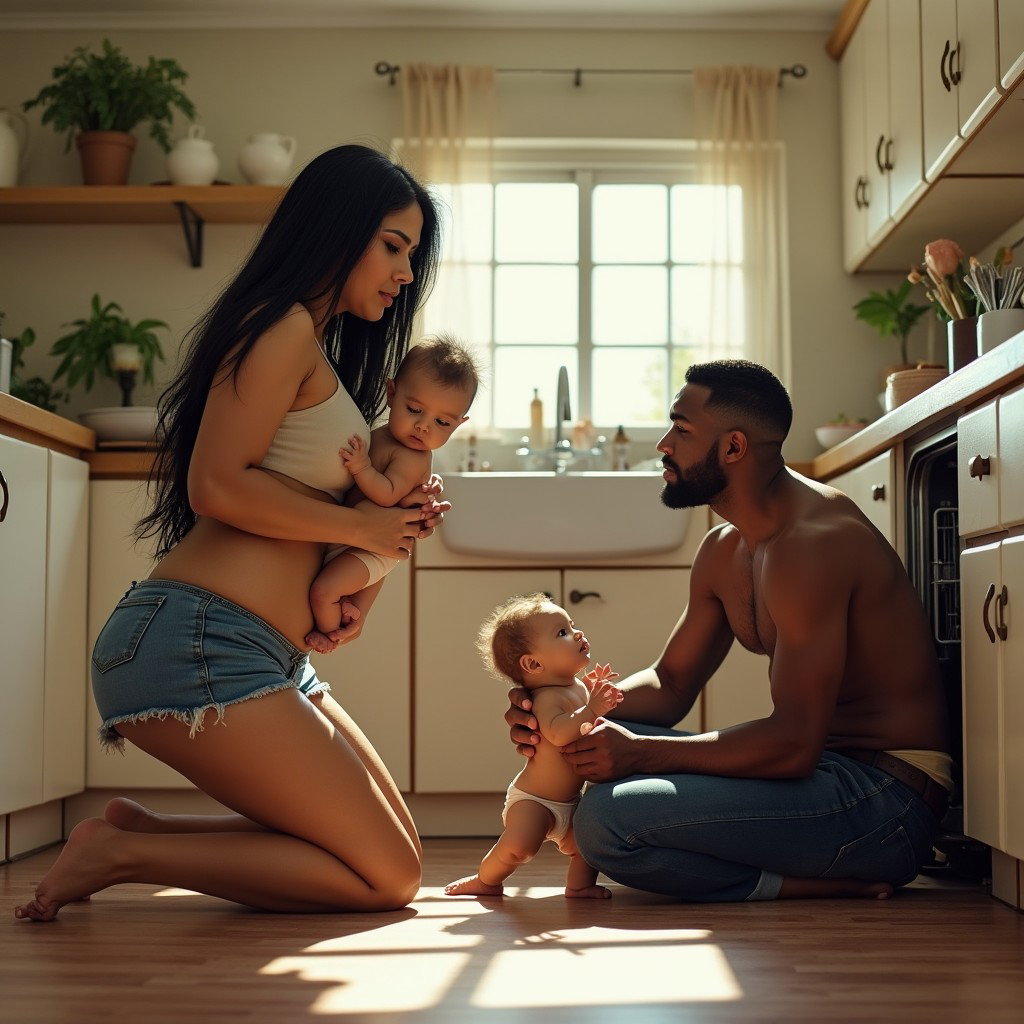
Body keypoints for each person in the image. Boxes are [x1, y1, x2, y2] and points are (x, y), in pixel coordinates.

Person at [15, 144, 448, 922]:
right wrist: (362, 522)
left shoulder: (309, 344)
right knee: (386, 876)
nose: (405, 273)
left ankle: (135, 833)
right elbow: (215, 486)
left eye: (412, 255)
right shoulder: (279, 326)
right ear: (336, 229)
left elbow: (312, 515)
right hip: (198, 645)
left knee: (393, 855)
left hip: (257, 650)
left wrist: (361, 565)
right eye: (393, 246)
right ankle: (124, 854)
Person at [505, 359, 952, 903]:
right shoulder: (725, 549)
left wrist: (642, 754)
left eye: (681, 430)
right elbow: (670, 686)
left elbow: (792, 745)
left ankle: (814, 880)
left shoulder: (814, 544)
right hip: (817, 777)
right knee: (586, 755)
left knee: (605, 820)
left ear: (734, 448)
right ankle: (800, 881)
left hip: (883, 799)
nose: (663, 444)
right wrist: (562, 707)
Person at [306, 334, 478, 654]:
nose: (424, 427)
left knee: (324, 591)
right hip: (361, 538)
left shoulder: (412, 456)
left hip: (374, 548)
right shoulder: (385, 436)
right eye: (414, 409)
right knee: (333, 589)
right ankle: (343, 614)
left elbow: (386, 495)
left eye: (442, 422)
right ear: (391, 392)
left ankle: (329, 634)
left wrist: (360, 468)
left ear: (458, 425)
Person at [445, 594, 624, 899]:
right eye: (562, 632)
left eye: (572, 624)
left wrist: (595, 699)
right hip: (535, 800)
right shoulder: (546, 699)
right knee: (519, 847)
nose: (577, 632)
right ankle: (486, 880)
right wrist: (592, 708)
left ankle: (579, 887)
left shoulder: (576, 688)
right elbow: (558, 733)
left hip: (571, 802)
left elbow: (585, 725)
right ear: (533, 663)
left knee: (585, 848)